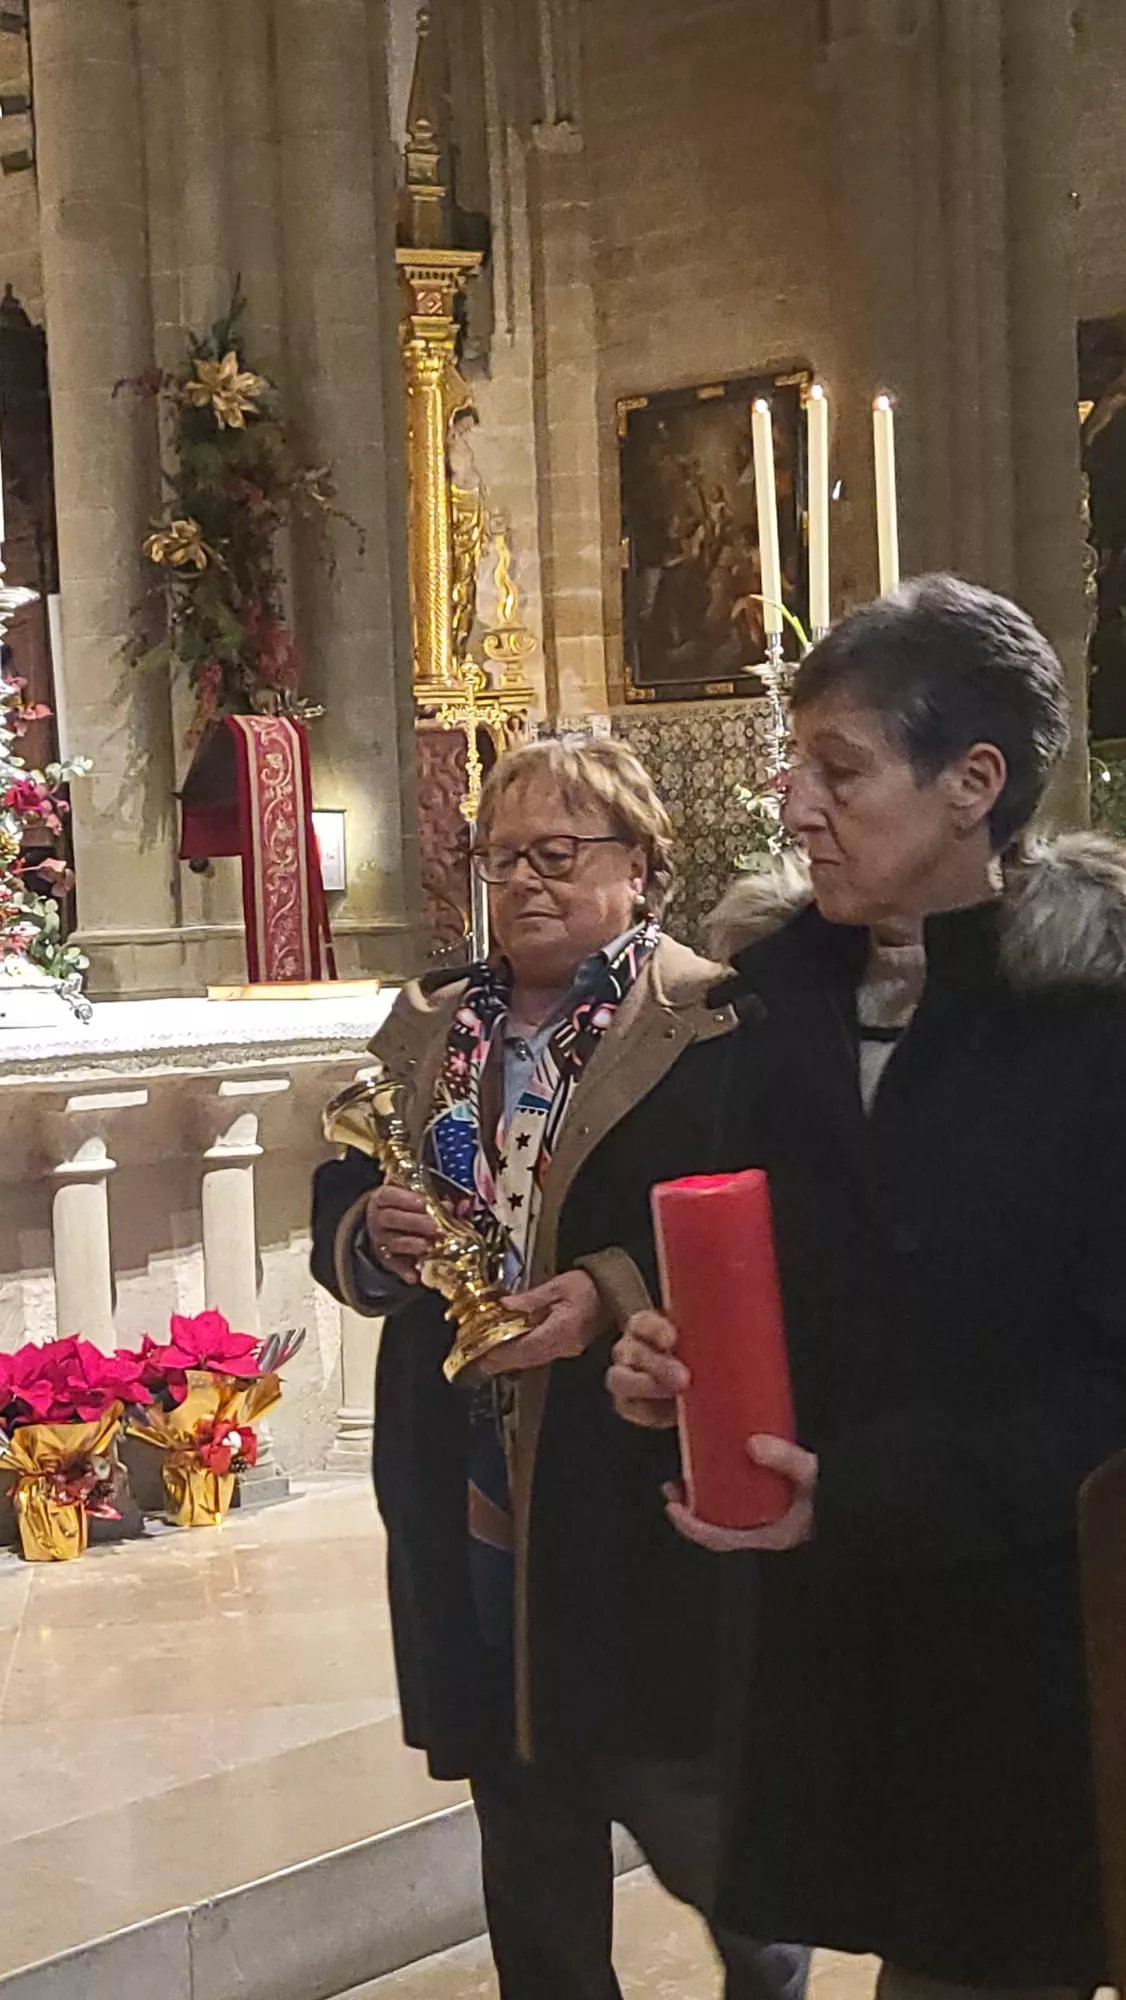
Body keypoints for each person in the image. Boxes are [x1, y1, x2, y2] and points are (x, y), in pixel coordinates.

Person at [608, 574, 1126, 2000]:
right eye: (796, 766)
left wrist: (875, 1491)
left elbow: (1109, 1376)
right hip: (839, 1639)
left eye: (837, 770)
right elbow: (747, 1273)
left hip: (1038, 1639)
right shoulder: (771, 1004)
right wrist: (669, 1367)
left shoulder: (1090, 1026)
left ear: (973, 784)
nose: (794, 805)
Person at [311, 738, 809, 2000]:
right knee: (522, 1802)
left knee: (695, 1808)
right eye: (501, 857)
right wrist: (367, 1229)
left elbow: (769, 1212)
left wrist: (606, 1291)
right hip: (468, 1463)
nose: (525, 881)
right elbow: (340, 1186)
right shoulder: (428, 1025)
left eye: (558, 852)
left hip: (632, 1463)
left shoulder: (712, 1021)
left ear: (640, 864)